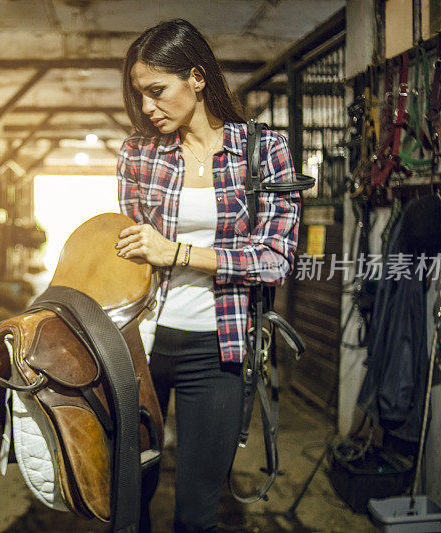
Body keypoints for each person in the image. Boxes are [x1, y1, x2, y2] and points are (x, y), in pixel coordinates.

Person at [113, 19, 301, 532]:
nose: (148, 107)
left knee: (197, 511)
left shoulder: (264, 152)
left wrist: (178, 253)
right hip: (142, 341)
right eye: (141, 95)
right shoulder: (138, 152)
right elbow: (133, 251)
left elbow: (276, 259)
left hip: (218, 348)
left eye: (157, 91)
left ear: (196, 78)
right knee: (128, 499)